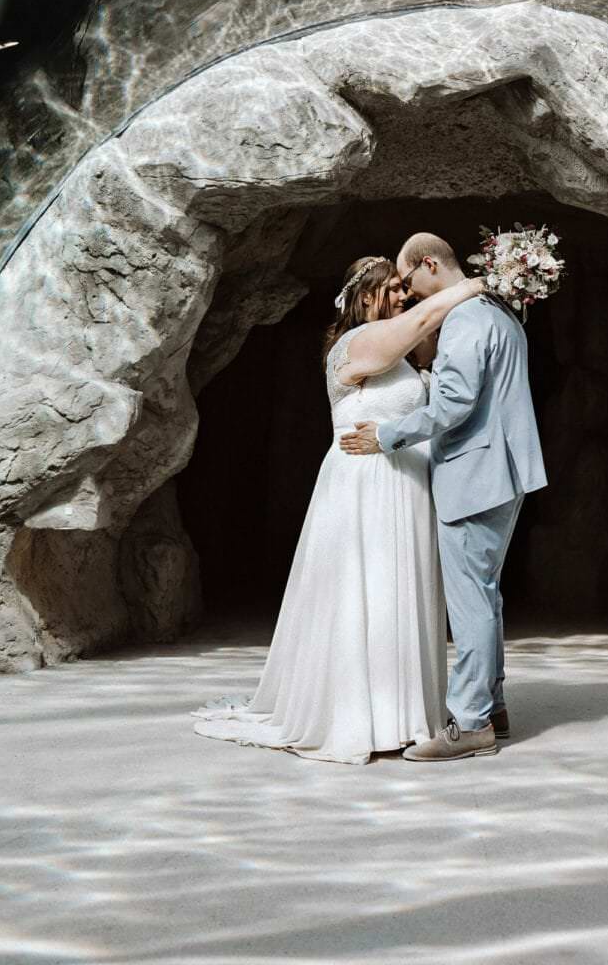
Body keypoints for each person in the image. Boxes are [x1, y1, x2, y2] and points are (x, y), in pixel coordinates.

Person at [192, 255, 485, 762]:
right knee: (366, 593)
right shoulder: (354, 345)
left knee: (401, 591)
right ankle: (358, 715)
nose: (403, 296)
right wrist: (478, 283)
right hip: (365, 486)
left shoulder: (402, 351)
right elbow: (419, 321)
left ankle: (402, 714)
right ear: (365, 296)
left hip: (408, 485)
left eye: (403, 287)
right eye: (392, 288)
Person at [340, 232, 547, 762]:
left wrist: (386, 436)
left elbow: (453, 402)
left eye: (408, 280)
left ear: (429, 264)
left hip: (474, 474)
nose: (408, 293)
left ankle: (471, 722)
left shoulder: (467, 319)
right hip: (503, 471)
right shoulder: (500, 313)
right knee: (486, 592)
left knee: (471, 599)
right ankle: (493, 705)